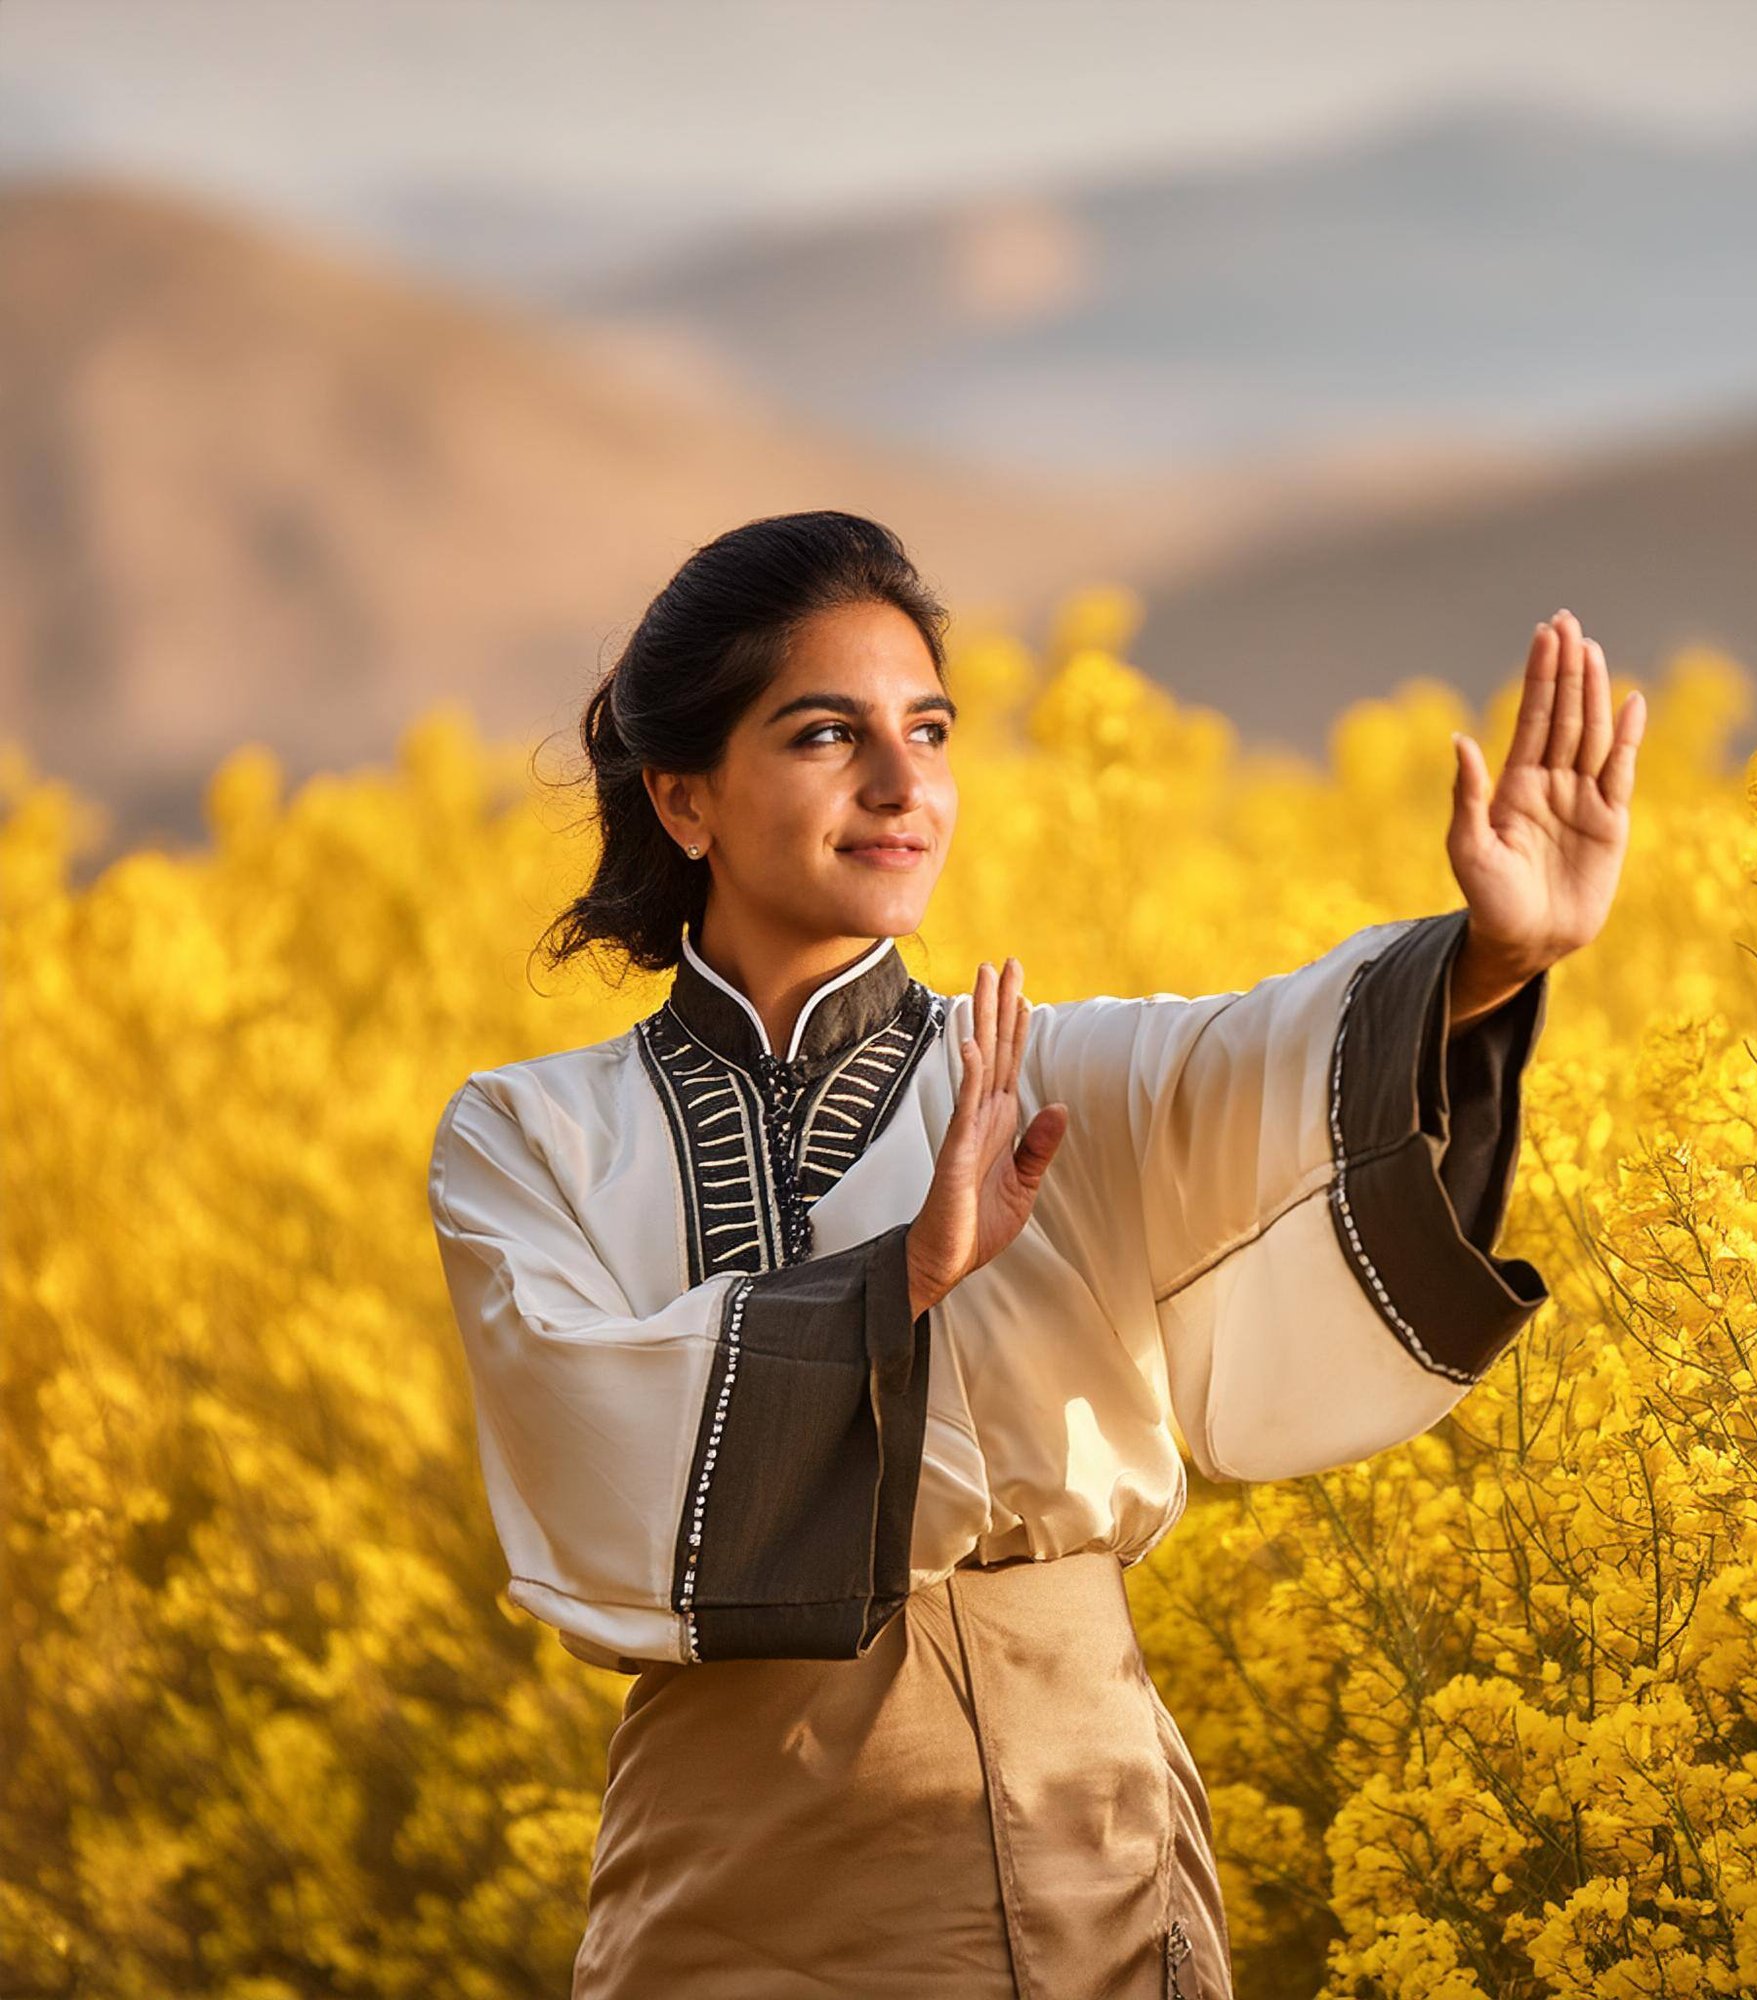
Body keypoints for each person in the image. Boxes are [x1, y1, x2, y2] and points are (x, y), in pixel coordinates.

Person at [426, 510, 1644, 1999]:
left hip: (1088, 1847)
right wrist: (903, 1280)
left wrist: (1490, 960)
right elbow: (583, 1452)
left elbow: (1256, 1061)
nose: (901, 786)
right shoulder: (533, 1136)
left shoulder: (1059, 1077)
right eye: (825, 736)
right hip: (729, 1875)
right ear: (685, 800)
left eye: (928, 731)